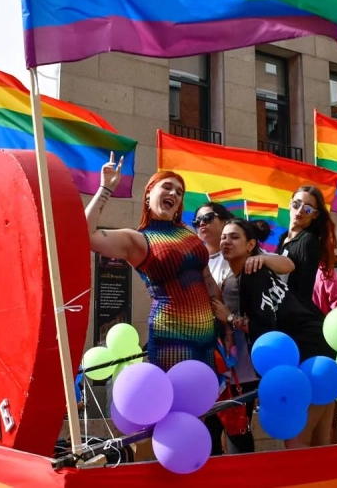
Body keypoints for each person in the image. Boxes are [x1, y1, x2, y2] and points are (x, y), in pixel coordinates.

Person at [85, 154, 230, 455]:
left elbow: (206, 278)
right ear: (149, 192)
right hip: (171, 339)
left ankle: (192, 469)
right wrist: (106, 188)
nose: (174, 194)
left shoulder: (189, 235)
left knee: (199, 413)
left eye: (179, 191)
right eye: (167, 187)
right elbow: (86, 234)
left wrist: (225, 321)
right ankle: (157, 470)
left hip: (206, 340)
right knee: (166, 417)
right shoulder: (138, 240)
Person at [221, 219, 335, 449]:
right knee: (321, 441)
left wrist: (229, 318)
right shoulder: (252, 272)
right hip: (320, 349)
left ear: (251, 244)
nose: (226, 241)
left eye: (234, 237)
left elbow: (266, 332)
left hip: (310, 353)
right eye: (224, 237)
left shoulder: (252, 274)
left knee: (297, 439)